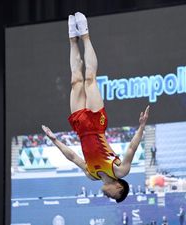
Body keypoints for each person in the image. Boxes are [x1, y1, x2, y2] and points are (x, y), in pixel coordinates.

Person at [42, 12, 149, 203]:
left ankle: (72, 38)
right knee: (90, 80)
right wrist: (141, 126)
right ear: (119, 187)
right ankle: (85, 35)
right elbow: (132, 147)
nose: (109, 196)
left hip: (81, 129)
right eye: (114, 196)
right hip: (96, 125)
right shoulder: (119, 170)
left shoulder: (91, 175)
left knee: (76, 81)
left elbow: (73, 157)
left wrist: (55, 141)